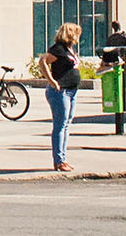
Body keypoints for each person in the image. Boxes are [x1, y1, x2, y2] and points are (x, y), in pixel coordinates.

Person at [38, 22, 83, 171]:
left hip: (71, 91)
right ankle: (59, 160)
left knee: (66, 124)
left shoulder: (69, 49)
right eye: (75, 33)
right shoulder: (58, 49)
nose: (77, 36)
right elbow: (43, 61)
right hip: (60, 91)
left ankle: (63, 158)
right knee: (60, 125)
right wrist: (51, 81)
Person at [101, 21, 126, 88]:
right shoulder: (124, 36)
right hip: (125, 60)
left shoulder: (111, 38)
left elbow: (107, 50)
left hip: (115, 60)